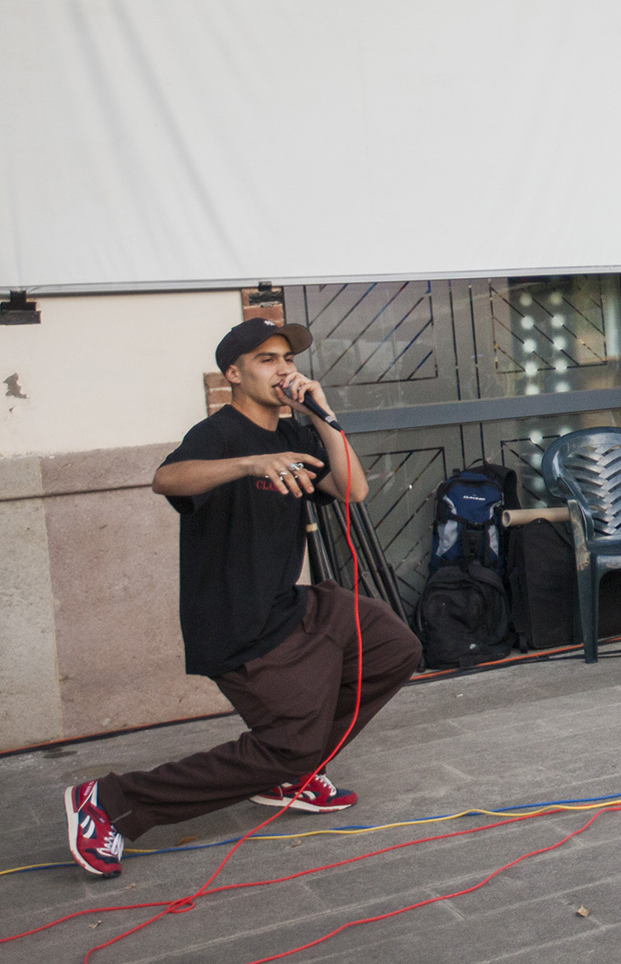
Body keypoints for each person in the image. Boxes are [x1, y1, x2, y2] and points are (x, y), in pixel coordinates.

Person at [63, 318, 422, 878]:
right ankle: (110, 802)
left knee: (393, 647)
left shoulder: (296, 433)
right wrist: (251, 464)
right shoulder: (220, 432)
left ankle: (294, 775)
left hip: (291, 604)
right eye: (266, 359)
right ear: (234, 373)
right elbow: (166, 479)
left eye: (288, 358)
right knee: (288, 743)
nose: (283, 369)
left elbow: (353, 490)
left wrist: (321, 414)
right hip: (234, 620)